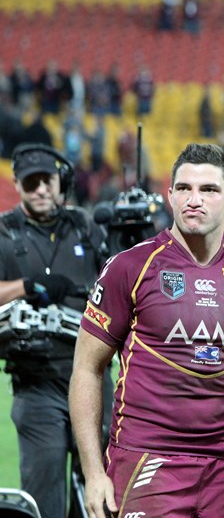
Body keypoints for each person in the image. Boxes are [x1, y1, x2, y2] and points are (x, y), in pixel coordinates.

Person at [68, 143, 224, 518]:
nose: (194, 200)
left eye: (208, 190)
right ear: (169, 195)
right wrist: (93, 472)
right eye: (184, 189)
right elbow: (88, 369)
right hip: (146, 460)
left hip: (221, 466)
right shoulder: (131, 268)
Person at [0, 143, 110, 518]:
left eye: (46, 180)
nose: (41, 190)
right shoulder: (3, 231)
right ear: (17, 184)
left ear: (60, 181)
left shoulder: (85, 225)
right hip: (36, 379)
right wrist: (26, 286)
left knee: (99, 488)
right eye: (31, 183)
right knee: (44, 490)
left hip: (93, 374)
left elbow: (115, 278)